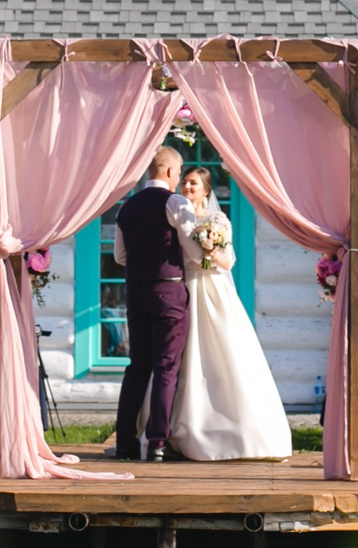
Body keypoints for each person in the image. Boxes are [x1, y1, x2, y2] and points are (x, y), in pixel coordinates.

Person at [166, 166, 290, 460]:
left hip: (214, 290)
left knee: (224, 352)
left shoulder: (217, 220)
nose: (187, 187)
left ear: (206, 190)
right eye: (184, 183)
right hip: (186, 288)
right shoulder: (175, 218)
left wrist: (209, 250)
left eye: (193, 184)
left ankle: (236, 428)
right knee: (186, 355)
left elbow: (228, 261)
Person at [111, 146, 193, 461]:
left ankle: (125, 443)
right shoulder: (175, 202)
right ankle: (157, 442)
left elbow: (120, 256)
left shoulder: (126, 207)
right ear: (170, 171)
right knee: (166, 367)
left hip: (136, 292)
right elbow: (192, 249)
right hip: (168, 291)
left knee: (137, 366)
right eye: (179, 172)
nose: (179, 179)